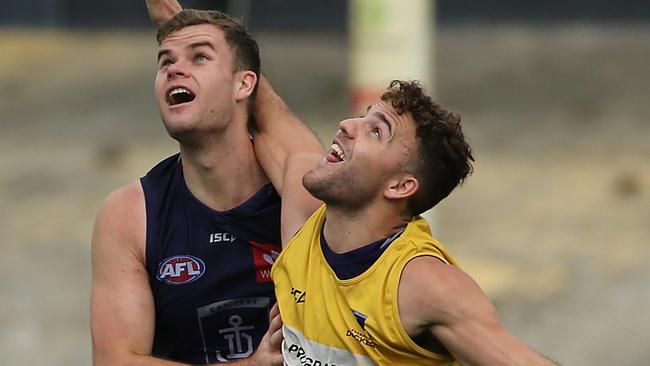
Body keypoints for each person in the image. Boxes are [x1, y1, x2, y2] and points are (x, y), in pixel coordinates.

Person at [254, 79, 559, 365]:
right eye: (363, 117)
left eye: (376, 132)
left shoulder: (422, 286)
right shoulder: (304, 218)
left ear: (400, 186)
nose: (347, 125)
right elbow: (259, 102)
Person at [90, 7, 322, 366]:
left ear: (246, 84)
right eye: (164, 61)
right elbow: (114, 361)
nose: (173, 68)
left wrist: (175, 20)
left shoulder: (299, 187)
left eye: (200, 57)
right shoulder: (128, 214)